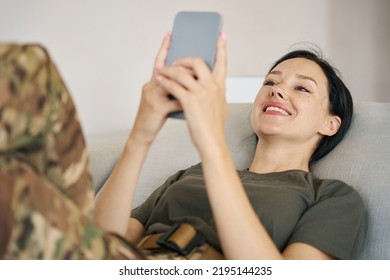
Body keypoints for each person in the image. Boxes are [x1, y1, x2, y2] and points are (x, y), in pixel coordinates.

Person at [0, 32, 365, 260]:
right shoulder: (190, 176)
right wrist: (141, 134)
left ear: (330, 123)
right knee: (27, 64)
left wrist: (211, 144)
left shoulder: (333, 197)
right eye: (271, 81)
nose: (278, 89)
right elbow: (101, 242)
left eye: (302, 87)